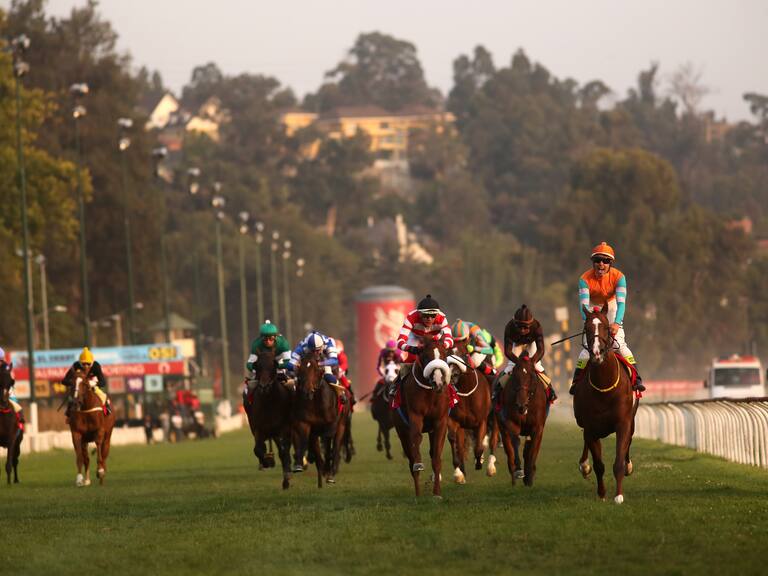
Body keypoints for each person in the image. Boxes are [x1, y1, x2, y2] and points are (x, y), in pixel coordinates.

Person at [570, 242, 645, 394]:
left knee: (619, 345)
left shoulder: (619, 277)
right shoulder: (584, 279)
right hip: (591, 309)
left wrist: (616, 324)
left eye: (606, 261)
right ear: (593, 262)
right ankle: (576, 382)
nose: (601, 264)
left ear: (611, 263)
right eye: (597, 260)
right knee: (586, 349)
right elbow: (583, 307)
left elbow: (621, 304)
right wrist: (591, 323)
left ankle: (637, 379)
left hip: (611, 307)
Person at [385, 294, 454, 400]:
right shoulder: (411, 317)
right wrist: (411, 349)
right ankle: (396, 385)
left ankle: (451, 387)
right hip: (416, 338)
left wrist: (443, 345)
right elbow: (400, 341)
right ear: (419, 314)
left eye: (433, 316)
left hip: (434, 338)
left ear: (437, 314)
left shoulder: (442, 318)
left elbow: (450, 339)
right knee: (410, 359)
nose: (429, 319)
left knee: (443, 357)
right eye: (425, 316)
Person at [499, 304, 557, 403]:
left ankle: (550, 391)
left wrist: (532, 362)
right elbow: (508, 352)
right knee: (509, 367)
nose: (522, 330)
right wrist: (519, 363)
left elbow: (541, 350)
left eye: (525, 327)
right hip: (516, 345)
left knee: (538, 367)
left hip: (531, 345)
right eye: (519, 327)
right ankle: (497, 392)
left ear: (531, 324)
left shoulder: (537, 326)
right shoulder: (509, 327)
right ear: (514, 323)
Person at [244, 320, 292, 403]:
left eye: (271, 338)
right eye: (265, 339)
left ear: (275, 337)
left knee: (292, 386)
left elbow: (288, 362)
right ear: (261, 338)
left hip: (278, 365)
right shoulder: (256, 344)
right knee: (249, 388)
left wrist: (276, 367)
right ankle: (250, 406)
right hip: (263, 370)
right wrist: (258, 369)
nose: (268, 341)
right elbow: (249, 364)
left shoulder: (283, 343)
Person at [288, 330, 343, 399]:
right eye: (313, 351)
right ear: (308, 347)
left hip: (324, 359)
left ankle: (340, 393)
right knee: (296, 378)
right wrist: (297, 367)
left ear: (323, 346)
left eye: (317, 350)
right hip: (308, 362)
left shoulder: (328, 343)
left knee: (328, 375)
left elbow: (334, 360)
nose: (315, 353)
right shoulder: (302, 346)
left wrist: (320, 364)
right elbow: (289, 364)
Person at [62, 347, 112, 415]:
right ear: (80, 362)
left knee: (103, 396)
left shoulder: (96, 366)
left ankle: (107, 409)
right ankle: (69, 413)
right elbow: (64, 380)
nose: (86, 366)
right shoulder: (76, 365)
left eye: (88, 364)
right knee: (72, 398)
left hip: (92, 385)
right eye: (83, 363)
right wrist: (75, 383)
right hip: (79, 387)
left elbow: (103, 382)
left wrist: (95, 383)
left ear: (92, 362)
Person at [0, 347, 24, 429]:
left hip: (6, 389)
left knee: (14, 402)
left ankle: (20, 418)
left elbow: (8, 380)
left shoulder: (6, 367)